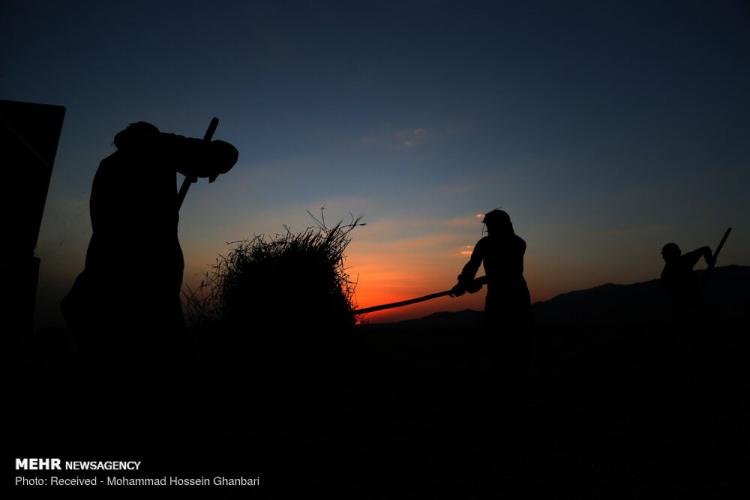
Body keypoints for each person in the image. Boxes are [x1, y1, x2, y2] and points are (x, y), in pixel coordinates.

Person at [61, 121, 238, 459]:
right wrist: (207, 163)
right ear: (150, 138)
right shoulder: (156, 149)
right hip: (146, 285)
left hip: (103, 280)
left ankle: (94, 443)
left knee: (100, 373)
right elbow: (224, 154)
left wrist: (198, 165)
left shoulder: (109, 165)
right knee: (164, 377)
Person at [450, 209, 532, 383]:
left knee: (516, 339)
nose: (489, 228)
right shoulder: (485, 244)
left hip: (515, 296)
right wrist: (462, 283)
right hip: (496, 296)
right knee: (495, 338)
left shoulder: (517, 244)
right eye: (488, 225)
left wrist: (476, 282)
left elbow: (510, 272)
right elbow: (472, 266)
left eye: (491, 225)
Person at [660, 242, 715, 311]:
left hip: (683, 306)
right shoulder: (684, 261)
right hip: (687, 306)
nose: (663, 257)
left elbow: (705, 249)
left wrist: (709, 261)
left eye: (665, 255)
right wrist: (710, 262)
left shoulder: (667, 273)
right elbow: (705, 249)